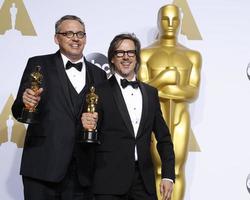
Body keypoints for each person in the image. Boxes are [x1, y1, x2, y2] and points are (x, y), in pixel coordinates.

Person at [12, 15, 107, 200]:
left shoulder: (100, 74)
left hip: (83, 171)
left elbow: (104, 118)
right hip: (42, 167)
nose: (75, 38)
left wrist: (95, 122)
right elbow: (18, 111)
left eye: (80, 33)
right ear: (57, 38)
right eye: (68, 33)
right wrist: (26, 102)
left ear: (85, 38)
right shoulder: (38, 64)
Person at [82, 33, 175, 200]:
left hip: (143, 182)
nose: (126, 57)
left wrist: (168, 176)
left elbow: (164, 138)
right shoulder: (98, 91)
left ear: (137, 57)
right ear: (112, 58)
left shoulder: (150, 93)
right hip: (108, 182)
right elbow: (87, 139)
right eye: (120, 53)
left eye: (130, 52)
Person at [138, 4, 202, 200]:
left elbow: (192, 92)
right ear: (158, 21)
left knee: (176, 170)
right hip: (154, 117)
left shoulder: (192, 56)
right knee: (157, 168)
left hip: (180, 116)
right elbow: (141, 89)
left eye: (175, 19)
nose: (171, 24)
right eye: (165, 19)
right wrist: (165, 77)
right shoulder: (145, 54)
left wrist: (167, 89)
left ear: (181, 22)